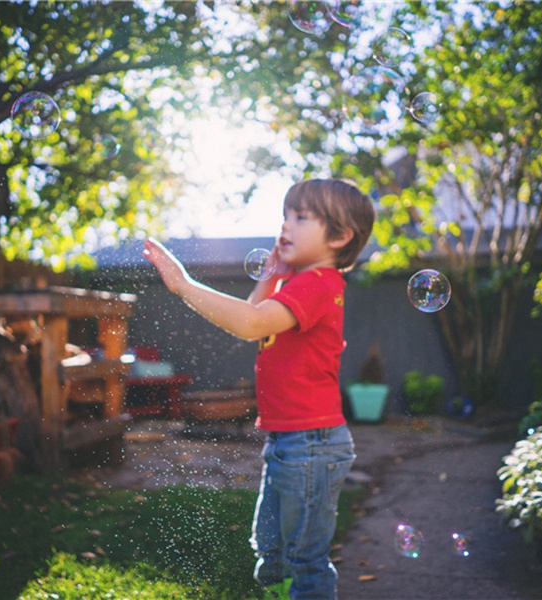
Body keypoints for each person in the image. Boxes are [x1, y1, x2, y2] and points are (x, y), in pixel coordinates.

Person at [142, 178, 375, 599]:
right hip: (293, 442)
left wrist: (184, 286)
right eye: (285, 215)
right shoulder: (300, 284)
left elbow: (248, 323)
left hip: (311, 445)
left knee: (305, 561)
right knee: (273, 551)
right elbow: (254, 314)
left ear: (340, 236)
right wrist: (273, 274)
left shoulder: (318, 283)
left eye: (301, 217)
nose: (285, 225)